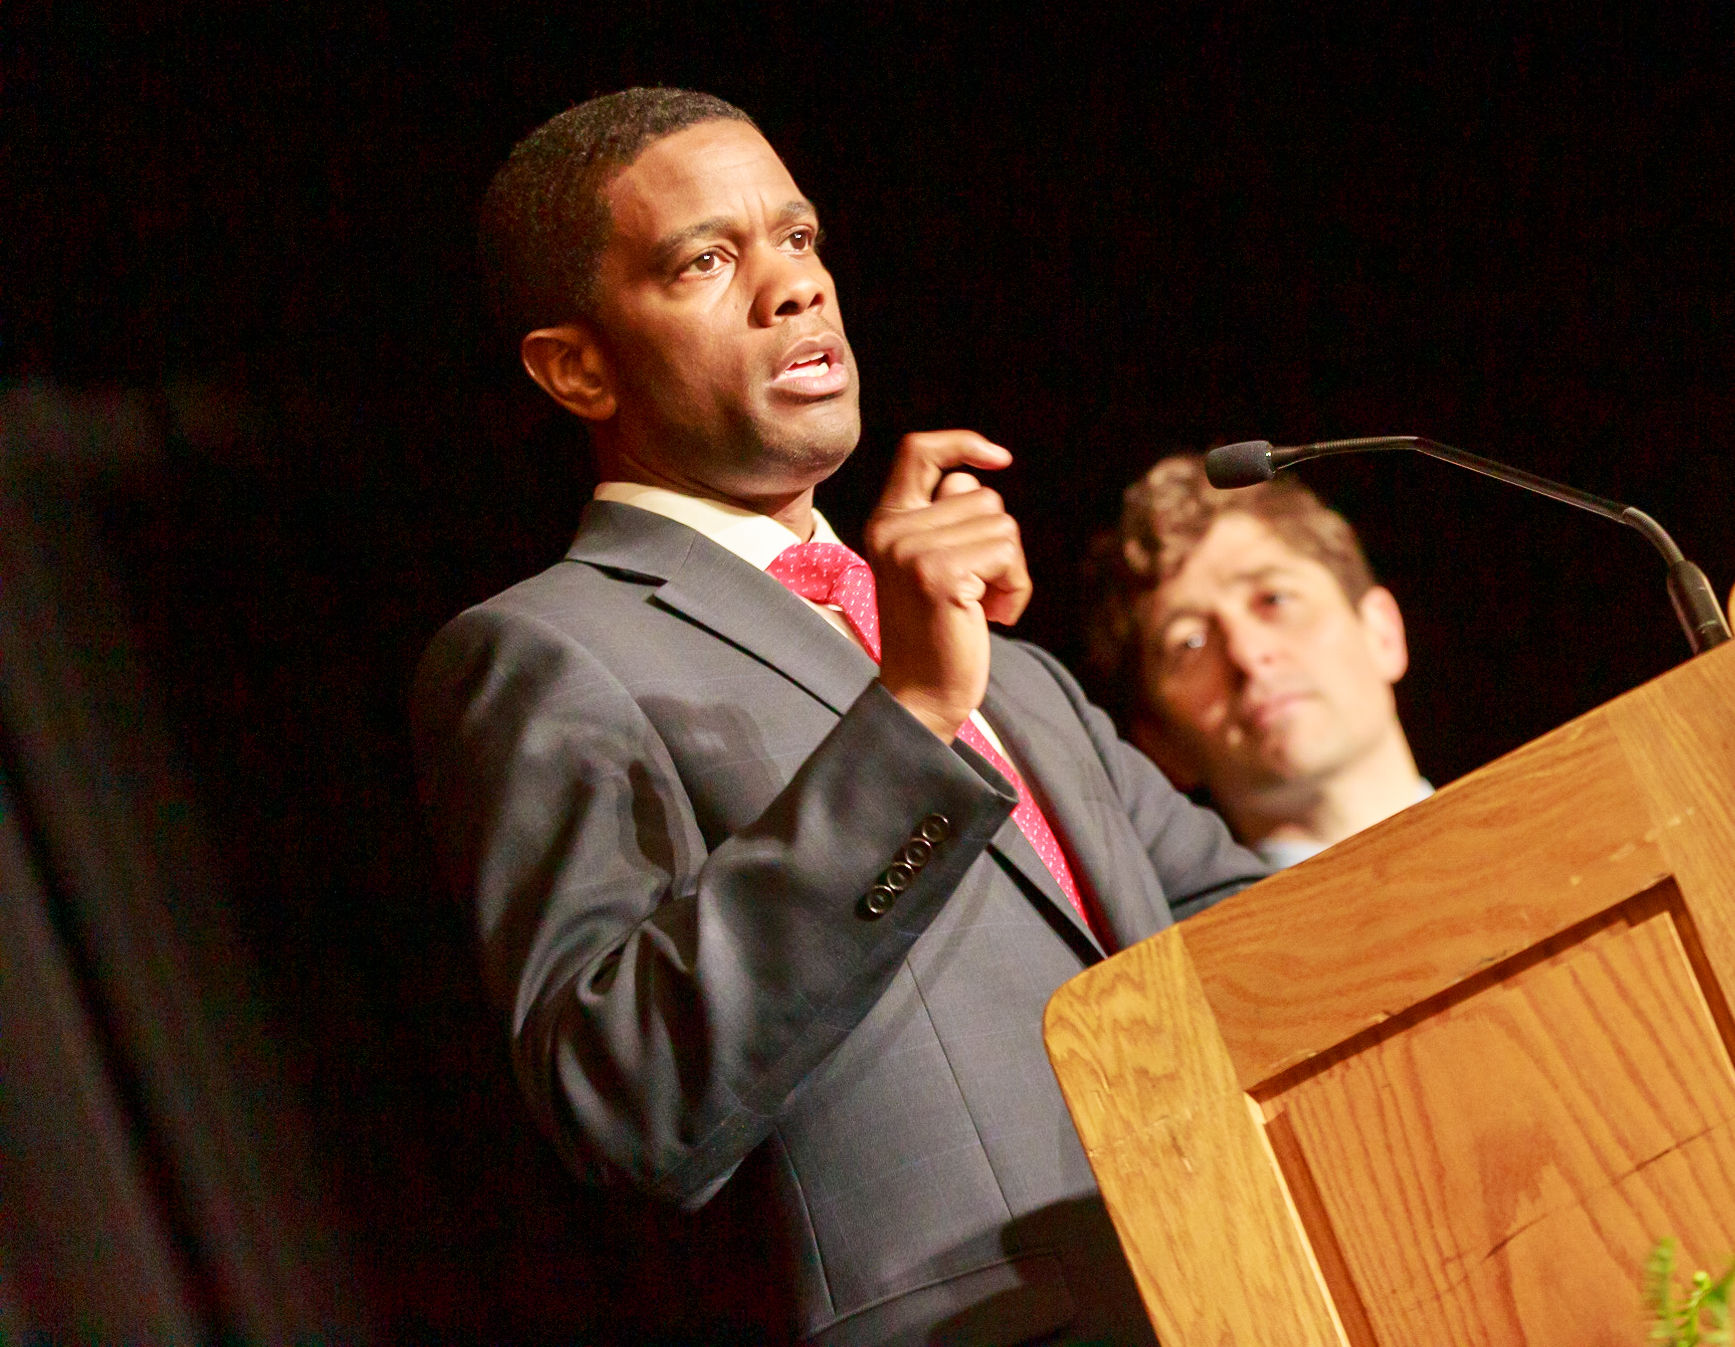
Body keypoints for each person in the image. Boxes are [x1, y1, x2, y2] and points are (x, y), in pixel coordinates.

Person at [411, 88, 1264, 1347]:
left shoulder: (998, 664)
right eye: (706, 260)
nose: (792, 289)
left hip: (1245, 1280)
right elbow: (628, 1091)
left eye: (799, 240)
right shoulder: (544, 655)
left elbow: (1248, 928)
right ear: (575, 365)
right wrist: (911, 721)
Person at [1084, 455, 1431, 869]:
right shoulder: (1179, 935)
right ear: (1159, 745)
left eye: (1274, 599)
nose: (1246, 654)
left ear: (1381, 633)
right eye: (1190, 642)